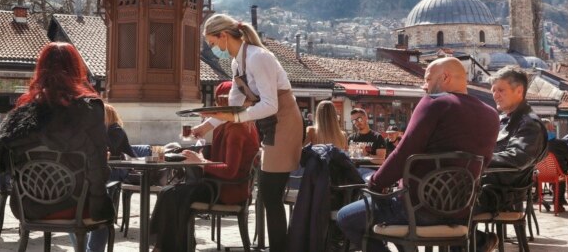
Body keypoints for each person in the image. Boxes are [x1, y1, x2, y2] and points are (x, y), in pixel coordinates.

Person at [336, 57, 500, 252]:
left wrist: (376, 184)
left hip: (416, 209)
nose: (424, 86)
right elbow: (484, 164)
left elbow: (403, 152)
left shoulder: (434, 103)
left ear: (445, 77)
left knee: (345, 218)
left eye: (428, 79)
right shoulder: (491, 114)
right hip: (460, 212)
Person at [195, 14, 303, 252]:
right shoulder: (237, 63)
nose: (214, 49)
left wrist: (237, 118)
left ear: (224, 36)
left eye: (213, 43)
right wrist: (206, 126)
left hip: (284, 124)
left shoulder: (258, 57)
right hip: (268, 125)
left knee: (270, 194)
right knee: (268, 195)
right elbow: (233, 105)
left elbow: (270, 104)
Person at [0, 42, 113, 252]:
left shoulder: (21, 115)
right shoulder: (90, 110)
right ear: (77, 69)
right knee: (101, 202)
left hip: (29, 206)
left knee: (73, 192)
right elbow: (99, 169)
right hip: (74, 205)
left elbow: (2, 165)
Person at [150, 81, 260, 252]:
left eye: (217, 102)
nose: (215, 107)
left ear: (224, 103)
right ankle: (170, 246)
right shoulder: (232, 125)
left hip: (226, 191)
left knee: (172, 194)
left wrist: (200, 163)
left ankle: (167, 247)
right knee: (168, 192)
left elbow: (230, 171)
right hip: (221, 185)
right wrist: (200, 156)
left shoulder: (236, 130)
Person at [474, 66, 547, 251]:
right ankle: (476, 241)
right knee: (436, 197)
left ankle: (479, 242)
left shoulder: (529, 124)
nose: (495, 95)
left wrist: (474, 160)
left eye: (501, 90)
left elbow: (517, 158)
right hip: (487, 188)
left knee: (443, 202)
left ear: (519, 90)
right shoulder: (505, 119)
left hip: (502, 194)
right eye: (493, 91)